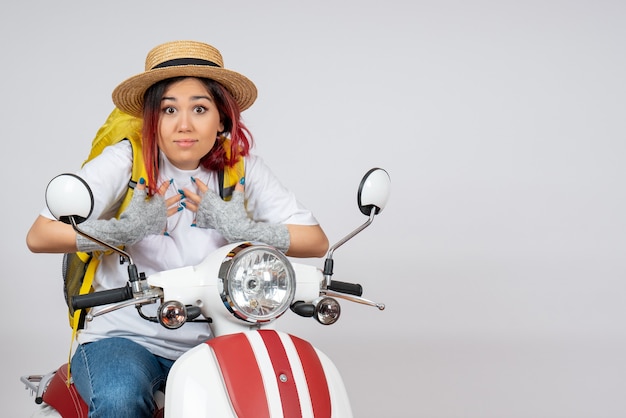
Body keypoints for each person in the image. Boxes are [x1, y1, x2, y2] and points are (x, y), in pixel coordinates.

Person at [26, 40, 329, 417]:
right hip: (124, 337)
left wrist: (241, 226)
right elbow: (40, 235)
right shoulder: (127, 159)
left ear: (221, 118)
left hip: (217, 337)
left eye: (199, 108)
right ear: (152, 118)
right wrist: (124, 230)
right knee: (120, 398)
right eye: (169, 109)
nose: (184, 124)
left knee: (271, 395)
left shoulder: (242, 168)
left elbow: (315, 241)